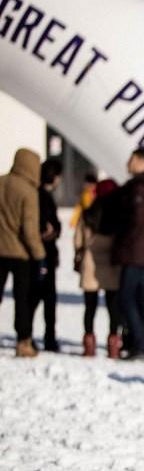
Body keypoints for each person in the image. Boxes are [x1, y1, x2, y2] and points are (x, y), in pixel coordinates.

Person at [112, 148, 144, 361]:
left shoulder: (138, 190)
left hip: (134, 252)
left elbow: (136, 221)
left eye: (132, 159)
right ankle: (143, 344)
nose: (128, 162)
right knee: (143, 300)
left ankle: (140, 344)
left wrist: (124, 240)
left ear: (142, 162)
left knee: (125, 298)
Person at [0, 149, 46, 357]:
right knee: (23, 300)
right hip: (21, 255)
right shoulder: (28, 191)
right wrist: (39, 254)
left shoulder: (1, 182)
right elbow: (29, 229)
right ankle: (23, 341)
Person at [75, 179, 123, 358]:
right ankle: (113, 344)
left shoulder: (87, 214)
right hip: (111, 264)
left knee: (90, 307)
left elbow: (78, 241)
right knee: (113, 307)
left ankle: (89, 344)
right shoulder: (119, 217)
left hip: (90, 262)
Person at [32, 158, 63, 351]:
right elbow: (47, 225)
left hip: (44, 254)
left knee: (41, 297)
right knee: (40, 297)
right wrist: (51, 230)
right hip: (42, 254)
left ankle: (40, 335)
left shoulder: (41, 195)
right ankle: (42, 336)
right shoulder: (41, 196)